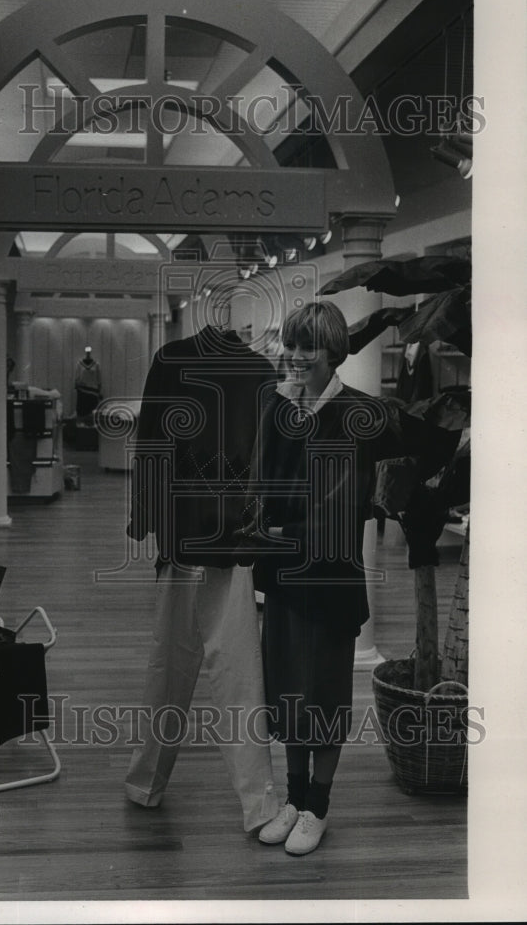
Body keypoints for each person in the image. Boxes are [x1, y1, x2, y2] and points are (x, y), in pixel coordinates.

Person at [239, 301, 402, 855]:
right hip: (284, 573)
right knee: (286, 690)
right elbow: (261, 489)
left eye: (308, 346)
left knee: (324, 695)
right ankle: (293, 798)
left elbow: (344, 501)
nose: (296, 356)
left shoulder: (358, 414)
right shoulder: (278, 407)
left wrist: (288, 518)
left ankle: (318, 807)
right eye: (292, 344)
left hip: (330, 578)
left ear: (334, 352)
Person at [125, 291, 280, 834]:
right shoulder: (260, 370)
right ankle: (257, 804)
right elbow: (265, 458)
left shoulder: (173, 359)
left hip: (187, 533)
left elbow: (150, 444)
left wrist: (145, 517)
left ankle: (147, 781)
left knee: (170, 663)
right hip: (232, 536)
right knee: (237, 670)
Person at [74, 345, 102, 418]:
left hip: (93, 392)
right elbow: (76, 379)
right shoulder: (79, 364)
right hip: (82, 392)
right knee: (82, 412)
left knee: (92, 412)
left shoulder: (96, 364)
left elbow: (99, 379)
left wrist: (99, 391)